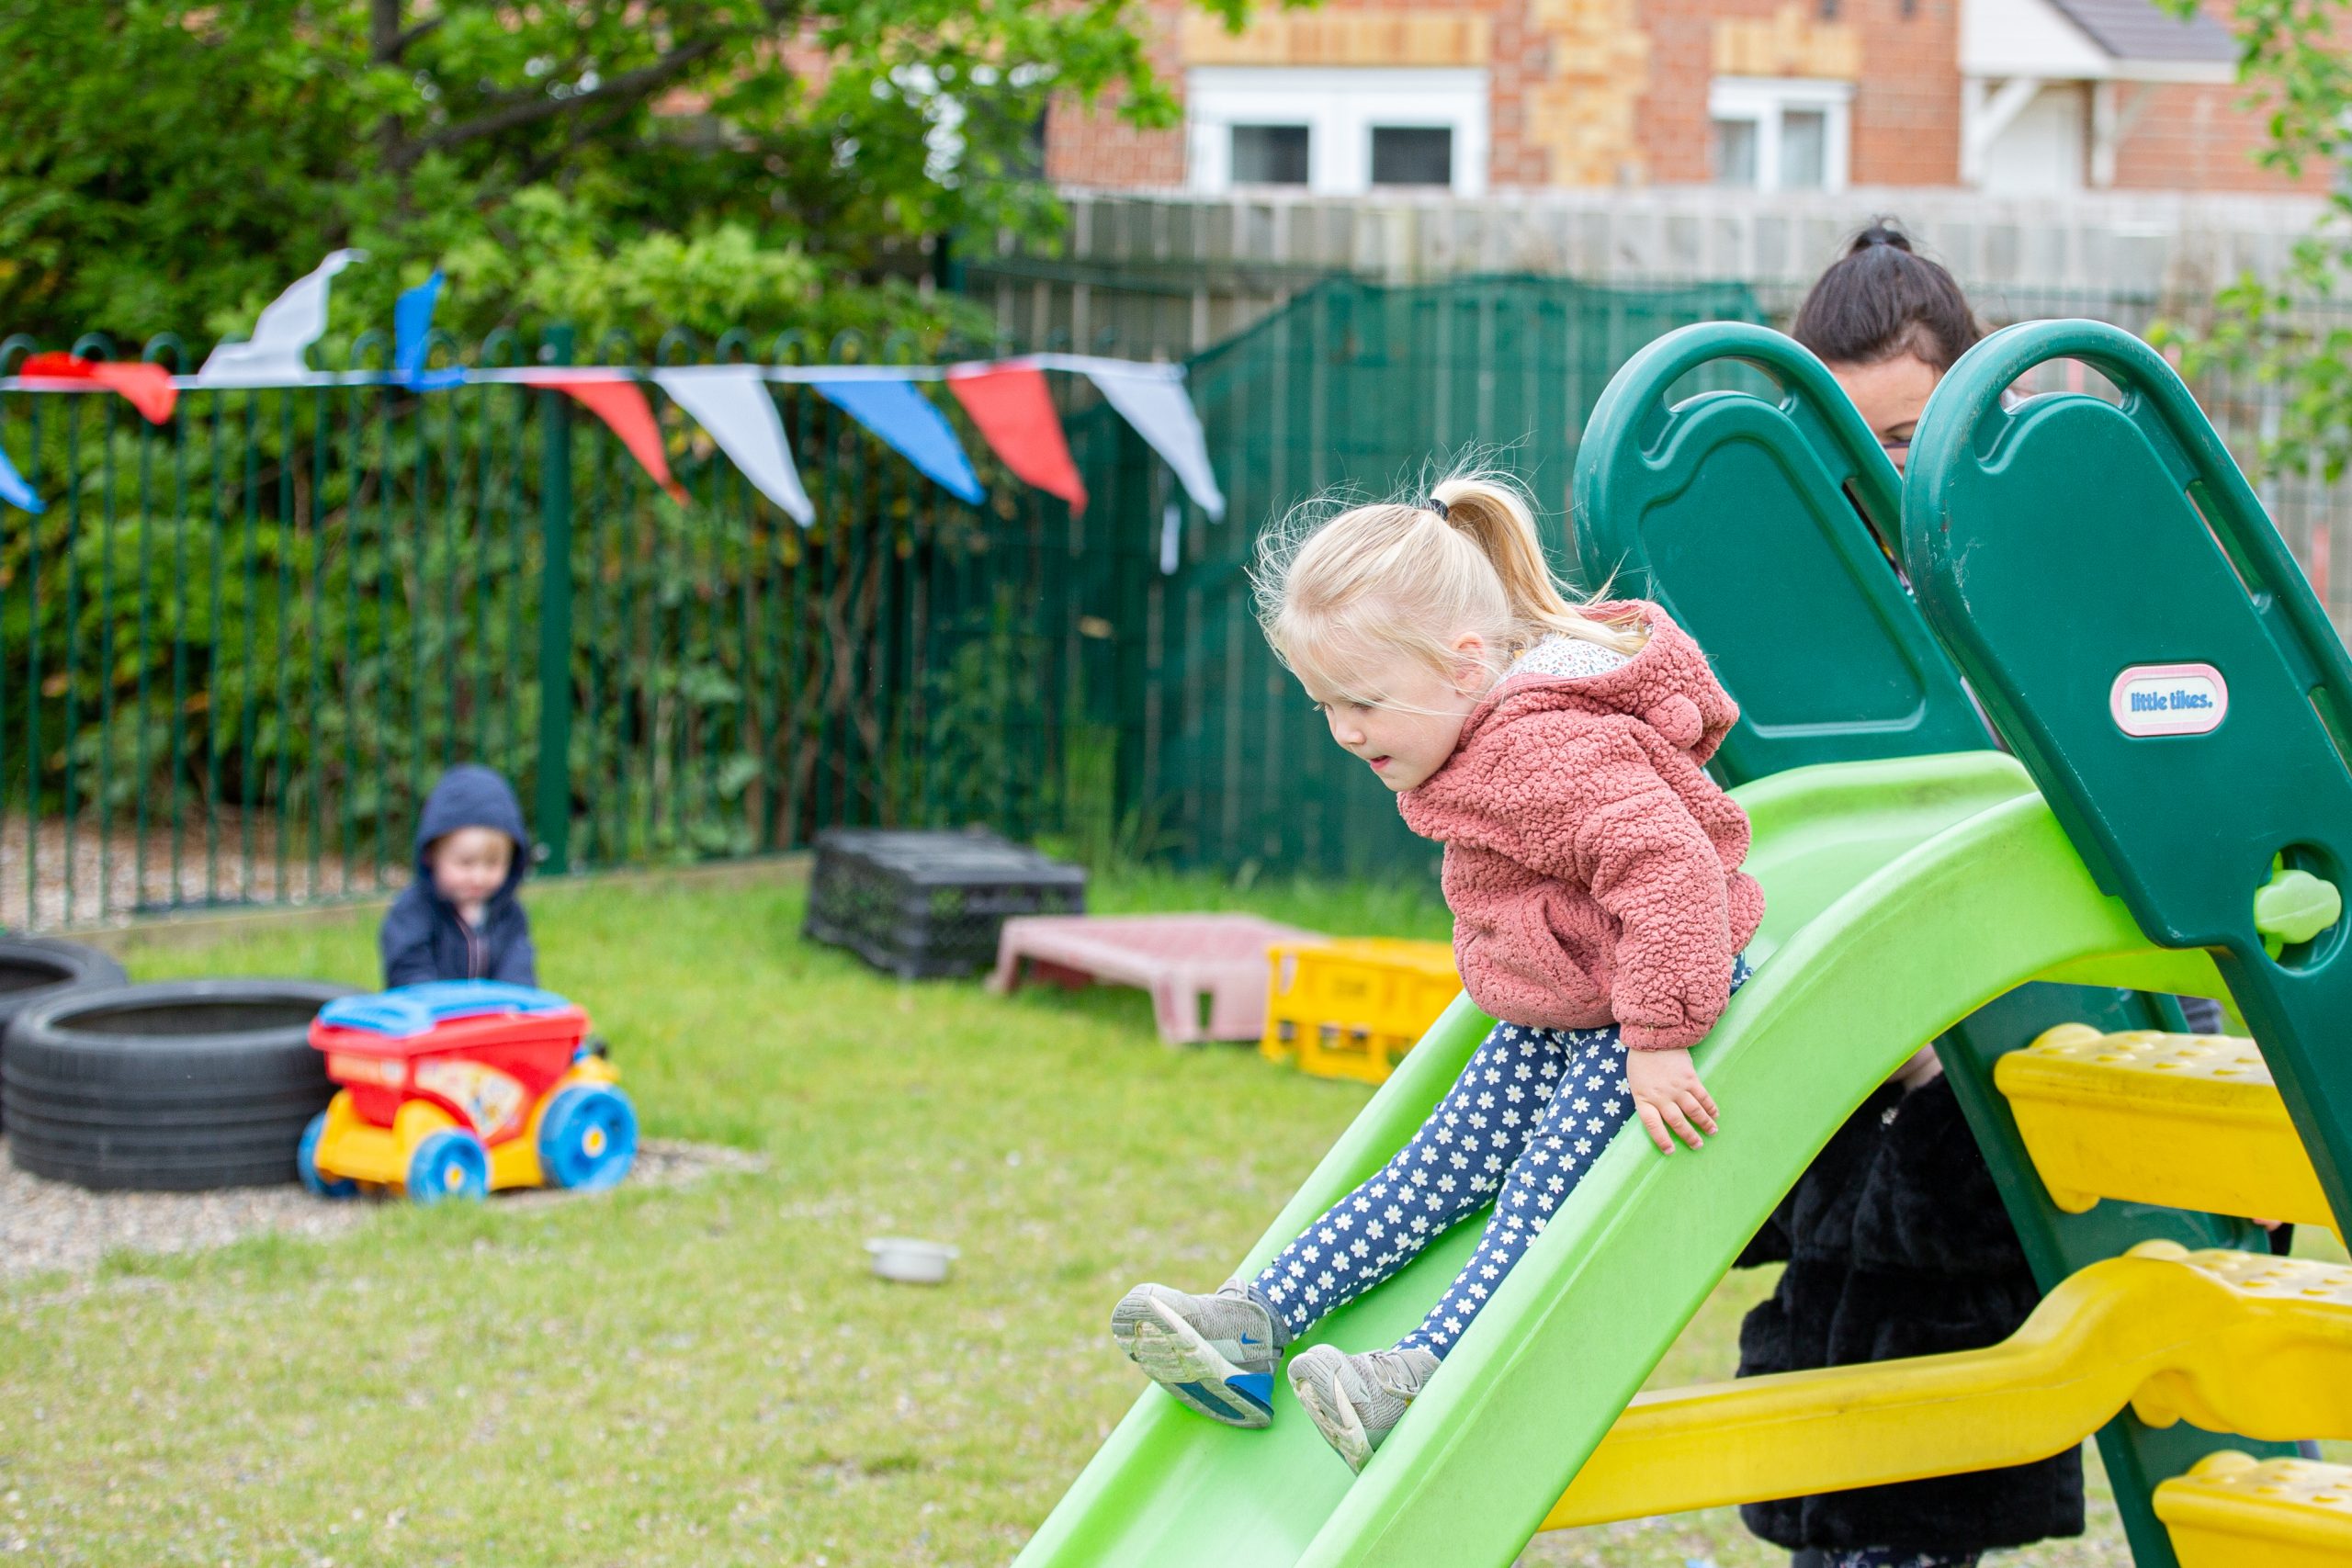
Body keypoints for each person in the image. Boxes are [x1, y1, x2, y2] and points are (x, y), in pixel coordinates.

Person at [1109, 471, 1763, 1472]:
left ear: (1464, 666)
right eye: (1324, 704)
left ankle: (1419, 1377)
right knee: (1433, 1166)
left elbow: (1670, 865)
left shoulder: (1542, 750)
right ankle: (1254, 1324)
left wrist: (1661, 1037)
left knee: (1539, 1194)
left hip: (1642, 998)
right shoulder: (1481, 732)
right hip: (1566, 1001)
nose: (1344, 732)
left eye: (1362, 703)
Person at [379, 763, 538, 988]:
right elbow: (409, 976)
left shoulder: (509, 915)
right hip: (433, 1018)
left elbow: (519, 973)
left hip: (494, 1020)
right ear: (431, 856)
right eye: (465, 863)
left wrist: (514, 1006)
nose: (478, 877)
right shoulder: (411, 913)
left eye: (492, 863)